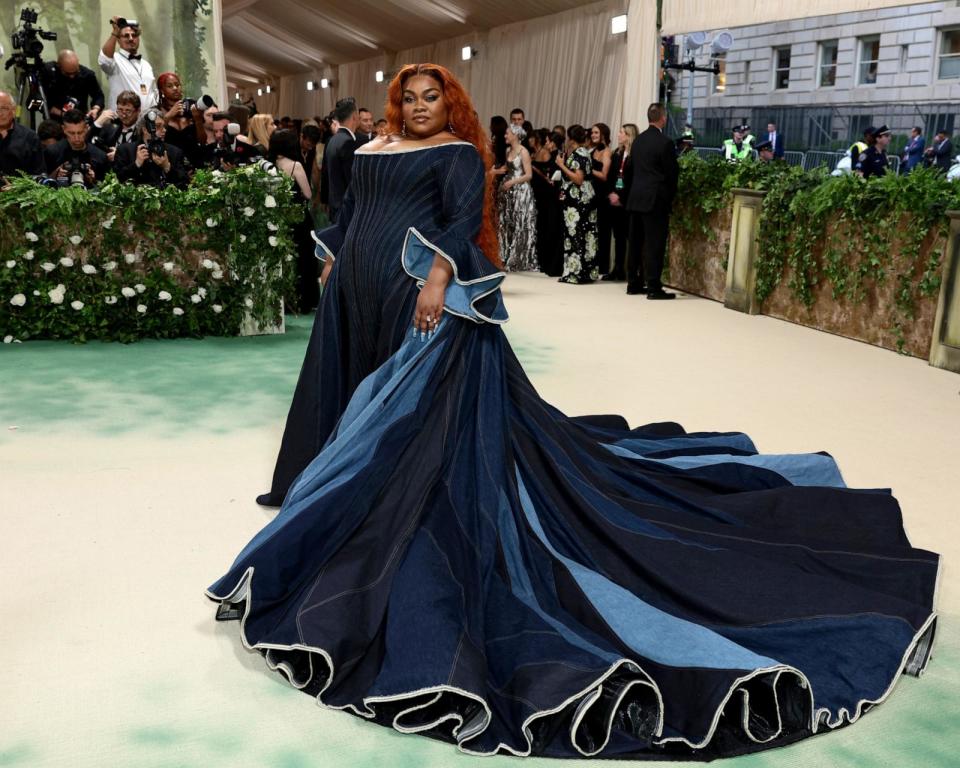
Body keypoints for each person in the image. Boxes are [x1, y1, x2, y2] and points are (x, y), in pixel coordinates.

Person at [209, 62, 938, 762]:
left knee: (407, 417)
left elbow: (460, 222)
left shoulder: (459, 154)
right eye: (413, 95)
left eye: (433, 95)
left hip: (414, 297)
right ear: (396, 101)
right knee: (353, 400)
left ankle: (381, 503)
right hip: (354, 291)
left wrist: (437, 282)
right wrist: (333, 260)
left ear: (449, 101)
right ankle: (341, 492)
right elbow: (354, 209)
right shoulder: (370, 146)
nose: (422, 105)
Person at [626, 103, 679, 299]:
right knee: (654, 244)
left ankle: (633, 283)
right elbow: (672, 174)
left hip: (636, 198)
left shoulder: (638, 141)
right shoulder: (665, 143)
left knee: (636, 242)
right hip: (655, 200)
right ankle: (654, 287)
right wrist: (669, 197)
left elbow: (630, 168)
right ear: (663, 118)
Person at [270, 128, 316, 312]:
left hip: (278, 218)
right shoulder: (295, 166)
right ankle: (304, 300)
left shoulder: (268, 164)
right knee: (303, 259)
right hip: (299, 219)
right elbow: (307, 193)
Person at [556, 124, 599, 284]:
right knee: (587, 234)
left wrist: (561, 165)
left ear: (571, 139)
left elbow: (578, 179)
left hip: (578, 200)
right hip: (585, 198)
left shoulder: (578, 154)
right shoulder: (584, 152)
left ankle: (576, 273)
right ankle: (586, 271)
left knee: (576, 233)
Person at [113, 110, 188, 188]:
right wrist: (136, 164)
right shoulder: (125, 150)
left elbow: (184, 183)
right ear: (145, 129)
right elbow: (117, 180)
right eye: (158, 126)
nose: (164, 130)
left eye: (164, 126)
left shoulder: (175, 152)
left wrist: (167, 167)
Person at [497, 124, 537, 271]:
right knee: (506, 223)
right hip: (508, 191)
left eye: (507, 133)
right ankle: (504, 256)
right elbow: (507, 169)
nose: (505, 136)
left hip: (521, 191)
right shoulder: (508, 150)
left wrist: (512, 181)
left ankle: (518, 258)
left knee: (519, 223)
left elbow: (528, 175)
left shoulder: (523, 152)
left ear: (515, 135)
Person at [603, 123, 639, 282]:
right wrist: (611, 193)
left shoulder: (636, 155)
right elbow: (611, 177)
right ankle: (617, 269)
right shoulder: (617, 153)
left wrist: (621, 198)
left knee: (631, 237)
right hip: (614, 200)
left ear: (629, 135)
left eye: (621, 132)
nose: (618, 135)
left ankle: (634, 272)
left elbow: (633, 180)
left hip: (627, 203)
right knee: (617, 237)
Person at [99, 16, 155, 112]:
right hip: (122, 120)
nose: (131, 38)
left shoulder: (146, 65)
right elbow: (104, 60)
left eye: (134, 35)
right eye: (126, 36)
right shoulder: (115, 60)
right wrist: (115, 32)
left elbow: (152, 92)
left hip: (146, 120)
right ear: (118, 40)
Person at [42, 108, 108, 185]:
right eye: (71, 133)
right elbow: (40, 183)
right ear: (64, 129)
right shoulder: (51, 153)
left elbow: (106, 189)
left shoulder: (100, 156)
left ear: (86, 128)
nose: (76, 138)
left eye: (80, 133)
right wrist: (55, 175)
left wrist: (93, 180)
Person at [530, 129, 562, 276]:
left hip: (552, 196)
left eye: (548, 141)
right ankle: (544, 261)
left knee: (550, 228)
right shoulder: (555, 155)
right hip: (546, 195)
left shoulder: (558, 156)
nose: (547, 143)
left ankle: (551, 263)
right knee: (544, 227)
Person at [42, 50, 105, 120]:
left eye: (75, 72)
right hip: (54, 121)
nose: (72, 76)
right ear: (59, 66)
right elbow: (40, 99)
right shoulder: (49, 73)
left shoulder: (87, 75)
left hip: (79, 120)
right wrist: (60, 113)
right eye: (67, 74)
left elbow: (98, 95)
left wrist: (95, 109)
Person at [325, 97, 360, 223]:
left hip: (335, 206)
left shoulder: (333, 140)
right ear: (355, 117)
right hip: (346, 210)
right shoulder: (347, 142)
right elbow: (352, 181)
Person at [0, 90, 45, 183]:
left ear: (13, 111)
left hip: (21, 194)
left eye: (4, 108)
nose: (0, 113)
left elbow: (39, 174)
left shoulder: (30, 137)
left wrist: (17, 187)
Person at [88, 90, 141, 161]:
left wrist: (119, 155)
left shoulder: (143, 131)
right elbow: (86, 144)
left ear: (138, 111)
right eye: (120, 110)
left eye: (128, 111)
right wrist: (97, 123)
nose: (123, 115)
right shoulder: (110, 128)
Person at [589, 123, 613, 275]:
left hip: (602, 196)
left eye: (596, 132)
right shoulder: (592, 151)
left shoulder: (607, 152)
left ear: (603, 134)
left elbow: (604, 175)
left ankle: (603, 267)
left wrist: (588, 169)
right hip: (592, 194)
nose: (593, 135)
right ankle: (593, 264)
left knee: (603, 232)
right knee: (593, 231)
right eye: (592, 133)